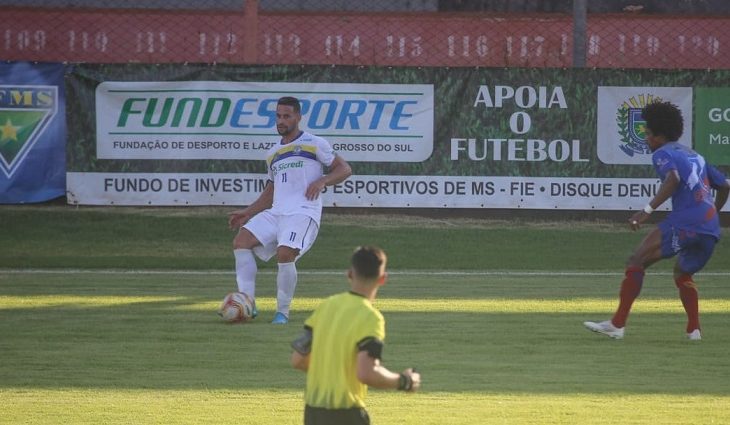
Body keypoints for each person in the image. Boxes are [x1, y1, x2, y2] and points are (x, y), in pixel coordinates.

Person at [584, 101, 729, 340]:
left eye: (648, 134)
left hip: (685, 221)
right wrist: (714, 212)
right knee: (683, 274)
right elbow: (724, 185)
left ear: (660, 136)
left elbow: (672, 179)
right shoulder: (695, 155)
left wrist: (646, 210)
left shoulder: (663, 153)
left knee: (636, 260)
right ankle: (694, 330)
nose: (646, 139)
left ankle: (617, 324)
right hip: (710, 228)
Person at [228, 96, 352, 324]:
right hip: (277, 212)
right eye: (278, 116)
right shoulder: (273, 152)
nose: (281, 121)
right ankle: (248, 302)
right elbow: (272, 189)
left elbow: (344, 169)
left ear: (298, 117)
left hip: (303, 213)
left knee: (286, 254)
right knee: (241, 241)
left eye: (287, 116)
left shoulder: (314, 143)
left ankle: (282, 313)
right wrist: (248, 211)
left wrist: (323, 181)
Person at [290, 245, 421, 425]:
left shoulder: (326, 307)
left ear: (350, 274)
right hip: (346, 416)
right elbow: (366, 373)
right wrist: (404, 381)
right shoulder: (370, 318)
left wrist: (330, 369)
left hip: (313, 414)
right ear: (382, 279)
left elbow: (298, 359)